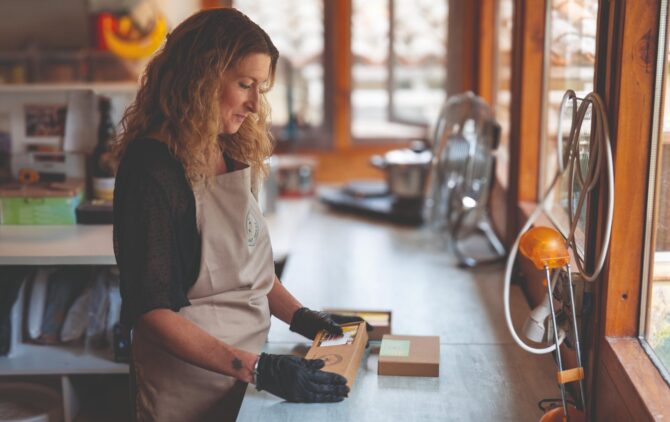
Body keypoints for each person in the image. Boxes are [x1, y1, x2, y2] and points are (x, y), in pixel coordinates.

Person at [112, 8, 367, 422]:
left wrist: (303, 318)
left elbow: (251, 271)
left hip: (247, 373)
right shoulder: (151, 168)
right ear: (200, 78)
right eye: (244, 84)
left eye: (259, 88)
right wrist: (258, 368)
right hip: (188, 387)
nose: (253, 103)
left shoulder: (227, 147)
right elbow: (151, 312)